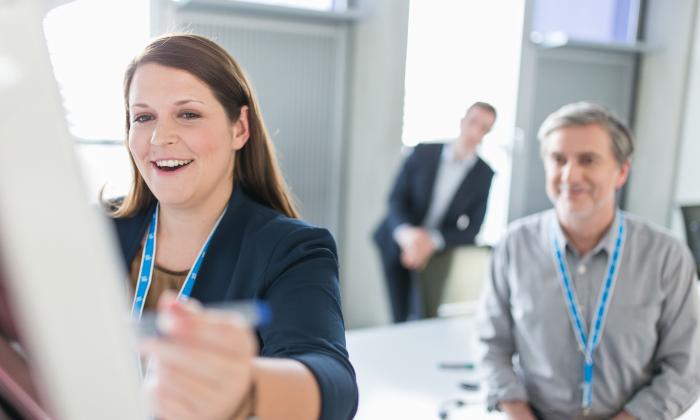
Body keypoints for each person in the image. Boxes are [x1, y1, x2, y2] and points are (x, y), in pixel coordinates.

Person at [108, 33, 358, 420]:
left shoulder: (292, 249)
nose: (160, 137)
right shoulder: (96, 232)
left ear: (239, 128)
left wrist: (246, 389)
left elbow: (334, 384)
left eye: (188, 114)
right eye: (143, 117)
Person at [478, 102, 700, 419]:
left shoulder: (667, 256)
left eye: (588, 160)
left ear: (621, 171)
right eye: (558, 159)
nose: (570, 175)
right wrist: (517, 412)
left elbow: (685, 367)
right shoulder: (514, 245)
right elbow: (492, 346)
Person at [373, 102, 496, 322]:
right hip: (396, 238)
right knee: (398, 313)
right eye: (473, 122)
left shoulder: (484, 174)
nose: (476, 131)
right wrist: (408, 236)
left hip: (437, 250)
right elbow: (395, 200)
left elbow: (474, 228)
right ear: (462, 121)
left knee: (426, 313)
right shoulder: (422, 153)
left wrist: (431, 241)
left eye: (484, 128)